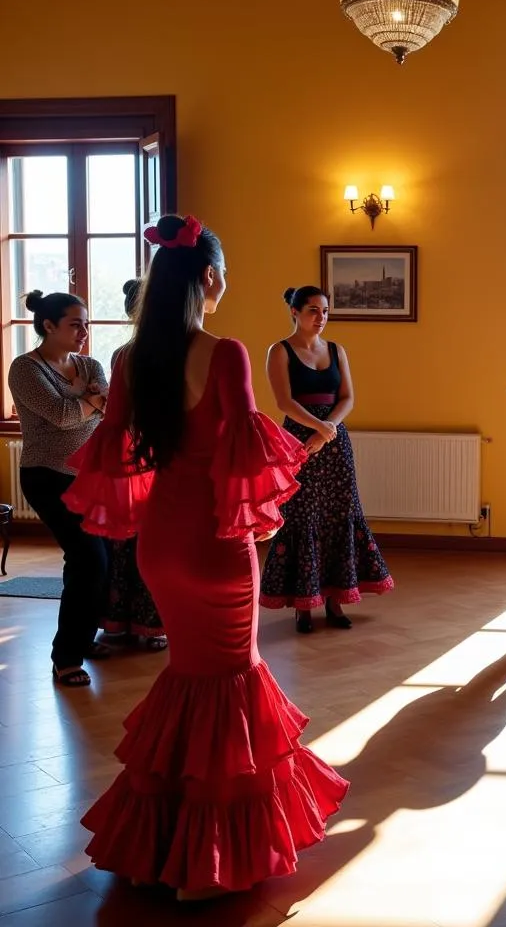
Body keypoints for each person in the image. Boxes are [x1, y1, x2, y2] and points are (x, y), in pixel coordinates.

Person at [62, 215, 349, 901]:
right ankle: (207, 864)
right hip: (216, 539)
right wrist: (258, 517)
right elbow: (244, 450)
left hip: (162, 538)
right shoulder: (225, 354)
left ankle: (158, 842)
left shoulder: (131, 361)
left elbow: (119, 450)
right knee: (230, 680)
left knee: (188, 675)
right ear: (210, 278)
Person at [260, 286, 393, 631]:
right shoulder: (280, 351)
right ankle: (303, 607)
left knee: (339, 514)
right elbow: (284, 402)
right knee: (302, 515)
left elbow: (348, 397)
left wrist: (328, 428)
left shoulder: (336, 350)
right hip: (299, 440)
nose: (321, 318)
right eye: (313, 311)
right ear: (294, 312)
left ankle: (335, 601)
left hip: (334, 441)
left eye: (325, 311)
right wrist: (317, 428)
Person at [7, 290, 109, 687]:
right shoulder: (25, 370)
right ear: (48, 326)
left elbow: (109, 404)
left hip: (91, 476)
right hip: (47, 476)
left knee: (101, 559)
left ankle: (83, 638)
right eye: (75, 324)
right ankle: (66, 657)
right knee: (88, 560)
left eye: (85, 322)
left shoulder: (90, 364)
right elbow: (63, 416)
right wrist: (92, 401)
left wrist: (92, 401)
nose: (84, 331)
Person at [101, 278, 166, 650]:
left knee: (130, 536)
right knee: (142, 536)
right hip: (148, 452)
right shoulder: (144, 354)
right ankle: (144, 622)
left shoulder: (124, 354)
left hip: (133, 449)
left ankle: (122, 621)